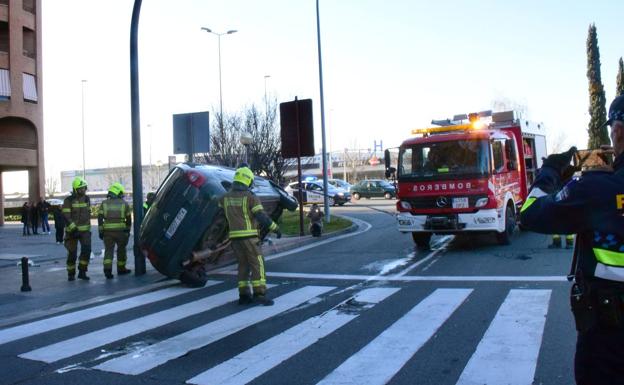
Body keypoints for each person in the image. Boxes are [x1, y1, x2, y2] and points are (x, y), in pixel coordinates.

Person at [520, 94, 624, 385]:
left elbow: (529, 214)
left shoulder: (595, 189)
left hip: (609, 340)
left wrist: (550, 174)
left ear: (617, 130)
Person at [218, 167, 281, 306]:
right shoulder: (251, 198)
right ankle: (260, 294)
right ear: (248, 181)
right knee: (257, 264)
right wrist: (275, 228)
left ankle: (244, 295)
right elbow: (261, 217)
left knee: (243, 266)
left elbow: (219, 211)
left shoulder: (225, 198)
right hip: (250, 238)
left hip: (234, 239)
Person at [98, 182, 132, 279]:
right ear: (117, 192)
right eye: (121, 192)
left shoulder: (104, 203)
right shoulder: (124, 204)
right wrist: (127, 231)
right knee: (121, 250)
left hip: (107, 232)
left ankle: (107, 270)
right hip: (121, 232)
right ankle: (121, 269)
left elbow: (100, 218)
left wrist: (100, 231)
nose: (122, 194)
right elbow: (129, 219)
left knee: (108, 251)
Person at [62, 177, 92, 281]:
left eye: (84, 188)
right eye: (80, 188)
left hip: (85, 232)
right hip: (72, 232)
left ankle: (82, 272)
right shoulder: (68, 200)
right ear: (75, 189)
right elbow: (66, 216)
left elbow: (88, 215)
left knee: (86, 250)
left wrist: (88, 229)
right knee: (72, 253)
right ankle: (71, 274)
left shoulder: (87, 199)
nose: (83, 190)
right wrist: (73, 229)